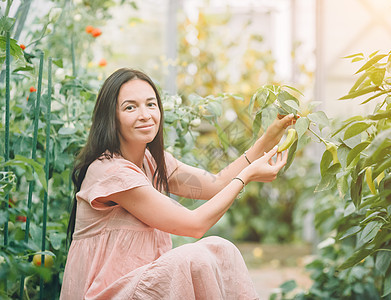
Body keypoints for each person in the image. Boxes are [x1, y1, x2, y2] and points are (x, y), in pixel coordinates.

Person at [60, 68, 296, 300]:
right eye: (130, 107)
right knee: (193, 259)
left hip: (138, 287)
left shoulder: (152, 161)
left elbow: (217, 184)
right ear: (111, 118)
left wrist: (269, 138)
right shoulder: (111, 172)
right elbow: (195, 225)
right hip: (107, 293)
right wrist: (247, 176)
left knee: (221, 250)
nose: (145, 115)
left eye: (151, 104)